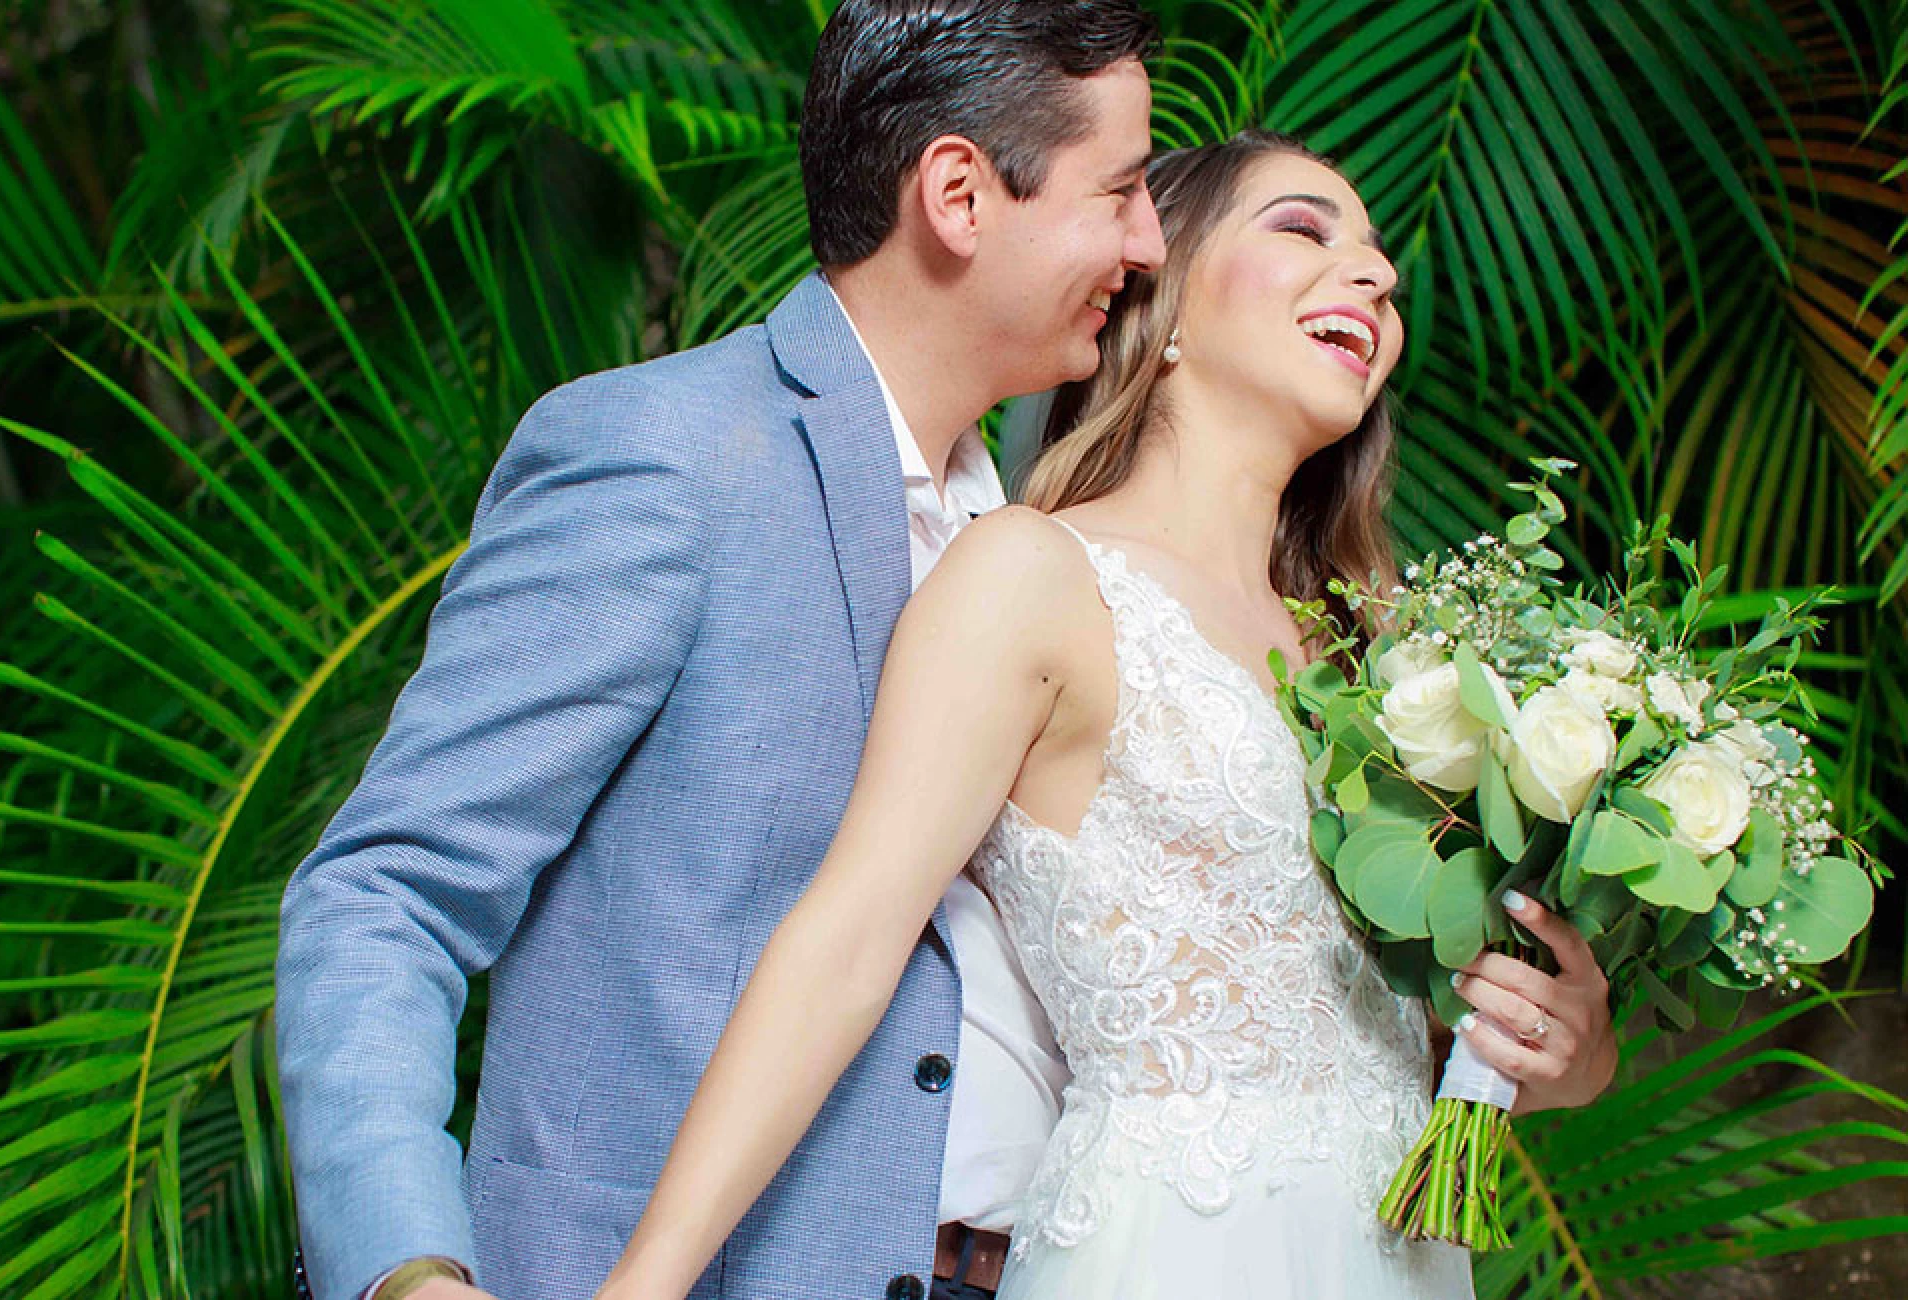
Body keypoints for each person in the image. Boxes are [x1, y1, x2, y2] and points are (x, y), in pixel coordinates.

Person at [592, 132, 1619, 1300]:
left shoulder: (1396, 660)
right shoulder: (1032, 578)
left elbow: (1414, 1031)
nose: (1376, 274)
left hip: (1396, 1257)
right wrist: (644, 1286)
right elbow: (845, 942)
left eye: (1380, 255)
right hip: (1174, 1249)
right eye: (1303, 229)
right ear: (1162, 298)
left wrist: (1568, 1050)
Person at [273, 3, 1171, 1298]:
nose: (1147, 246)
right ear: (960, 194)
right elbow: (386, 896)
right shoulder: (664, 455)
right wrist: (409, 1273)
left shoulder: (1052, 557)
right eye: (1121, 192)